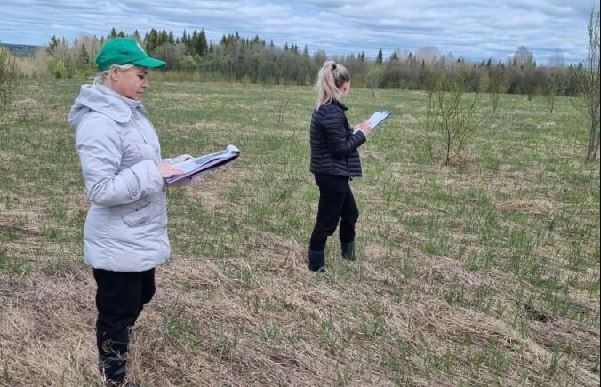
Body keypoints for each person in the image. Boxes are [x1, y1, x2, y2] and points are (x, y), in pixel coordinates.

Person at [68, 38, 184, 387]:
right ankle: (113, 375)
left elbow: (144, 166)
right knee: (117, 311)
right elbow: (100, 189)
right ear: (115, 73)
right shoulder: (99, 122)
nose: (147, 83)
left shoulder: (130, 112)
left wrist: (180, 168)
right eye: (141, 74)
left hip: (137, 231)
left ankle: (117, 346)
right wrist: (155, 174)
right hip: (116, 237)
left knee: (143, 294)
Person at [308, 60, 374, 272]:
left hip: (333, 173)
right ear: (343, 85)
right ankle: (315, 266)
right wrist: (362, 135)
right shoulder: (331, 112)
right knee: (326, 221)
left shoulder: (328, 109)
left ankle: (348, 254)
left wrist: (356, 129)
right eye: (349, 84)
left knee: (351, 213)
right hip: (331, 175)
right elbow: (340, 148)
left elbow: (337, 138)